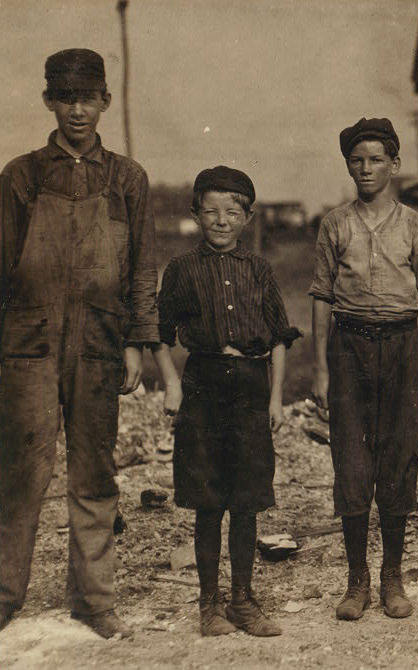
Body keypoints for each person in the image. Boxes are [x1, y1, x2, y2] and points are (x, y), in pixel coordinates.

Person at [0, 49, 158, 637]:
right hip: (27, 345)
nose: (77, 110)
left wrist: (137, 341)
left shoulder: (127, 179)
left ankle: (94, 602)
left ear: (105, 103)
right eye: (65, 98)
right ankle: (4, 594)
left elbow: (143, 268)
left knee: (94, 472)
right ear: (48, 101)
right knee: (18, 472)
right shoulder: (20, 175)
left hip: (98, 342)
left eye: (88, 98)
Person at [154, 166, 300, 636]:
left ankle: (242, 600)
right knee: (208, 500)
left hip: (252, 387)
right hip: (204, 384)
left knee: (247, 499)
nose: (222, 220)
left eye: (232, 211)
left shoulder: (258, 268)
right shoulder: (181, 270)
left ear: (248, 216)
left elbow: (279, 337)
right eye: (212, 211)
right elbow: (158, 334)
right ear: (196, 214)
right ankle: (208, 605)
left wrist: (276, 400)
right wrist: (173, 385)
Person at [310, 118, 418, 621]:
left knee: (399, 459)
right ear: (349, 165)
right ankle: (357, 579)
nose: (366, 168)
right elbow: (322, 294)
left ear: (395, 165)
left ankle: (392, 576)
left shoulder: (414, 224)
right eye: (357, 160)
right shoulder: (335, 223)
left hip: (403, 348)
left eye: (376, 159)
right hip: (350, 349)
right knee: (352, 462)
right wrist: (322, 369)